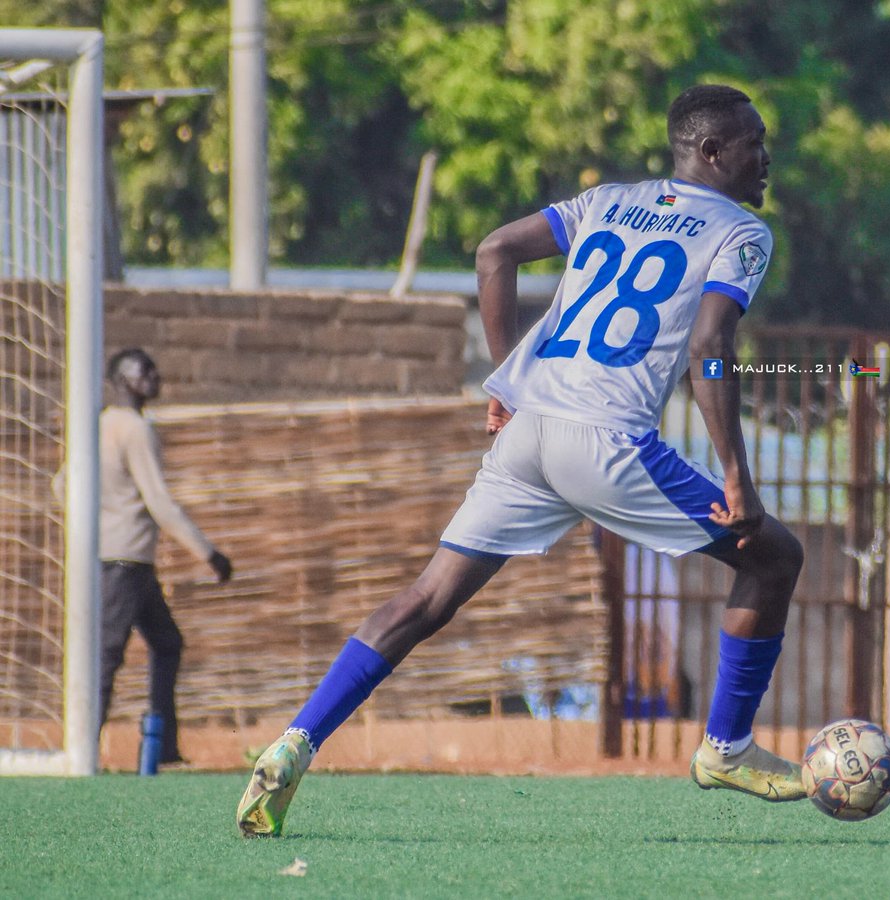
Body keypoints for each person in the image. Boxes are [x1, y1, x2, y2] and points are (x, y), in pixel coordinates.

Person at [237, 84, 805, 836]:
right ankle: (725, 749)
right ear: (711, 152)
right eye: (753, 143)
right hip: (606, 440)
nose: (765, 158)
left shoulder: (608, 199)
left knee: (426, 600)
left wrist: (508, 379)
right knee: (772, 558)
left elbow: (493, 250)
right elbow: (709, 347)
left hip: (529, 430)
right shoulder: (741, 231)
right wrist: (736, 474)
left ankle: (294, 742)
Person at [57, 348, 234, 765]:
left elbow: (61, 485)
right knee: (106, 654)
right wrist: (209, 553)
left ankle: (164, 745)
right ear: (122, 380)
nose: (156, 377)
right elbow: (159, 501)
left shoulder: (97, 425)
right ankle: (84, 750)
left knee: (167, 642)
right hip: (126, 562)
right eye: (145, 371)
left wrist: (92, 524)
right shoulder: (134, 429)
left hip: (117, 559)